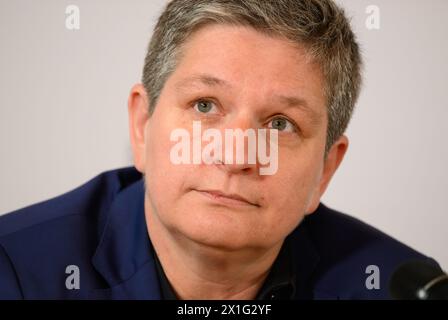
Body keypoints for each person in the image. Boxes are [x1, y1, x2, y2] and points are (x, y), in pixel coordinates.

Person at [0, 0, 439, 300]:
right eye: (205, 105)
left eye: (281, 124)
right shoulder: (16, 271)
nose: (235, 155)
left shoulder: (400, 286)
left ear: (325, 169)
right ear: (142, 125)